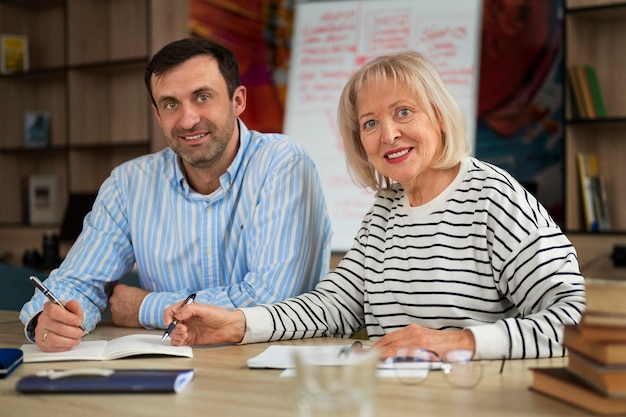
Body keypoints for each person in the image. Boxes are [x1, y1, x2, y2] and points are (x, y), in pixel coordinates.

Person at [163, 51, 585, 361]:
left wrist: (460, 341)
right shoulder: (386, 210)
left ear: (438, 117)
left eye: (404, 112)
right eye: (370, 123)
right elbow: (334, 307)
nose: (389, 135)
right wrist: (236, 323)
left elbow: (574, 322)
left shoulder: (494, 198)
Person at [20, 38, 332, 352]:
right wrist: (50, 319)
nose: (187, 119)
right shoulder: (130, 184)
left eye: (202, 97)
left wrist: (145, 307)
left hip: (270, 370)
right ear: (157, 115)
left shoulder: (283, 164)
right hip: (170, 367)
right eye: (171, 104)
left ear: (238, 101)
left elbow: (271, 303)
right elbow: (77, 282)